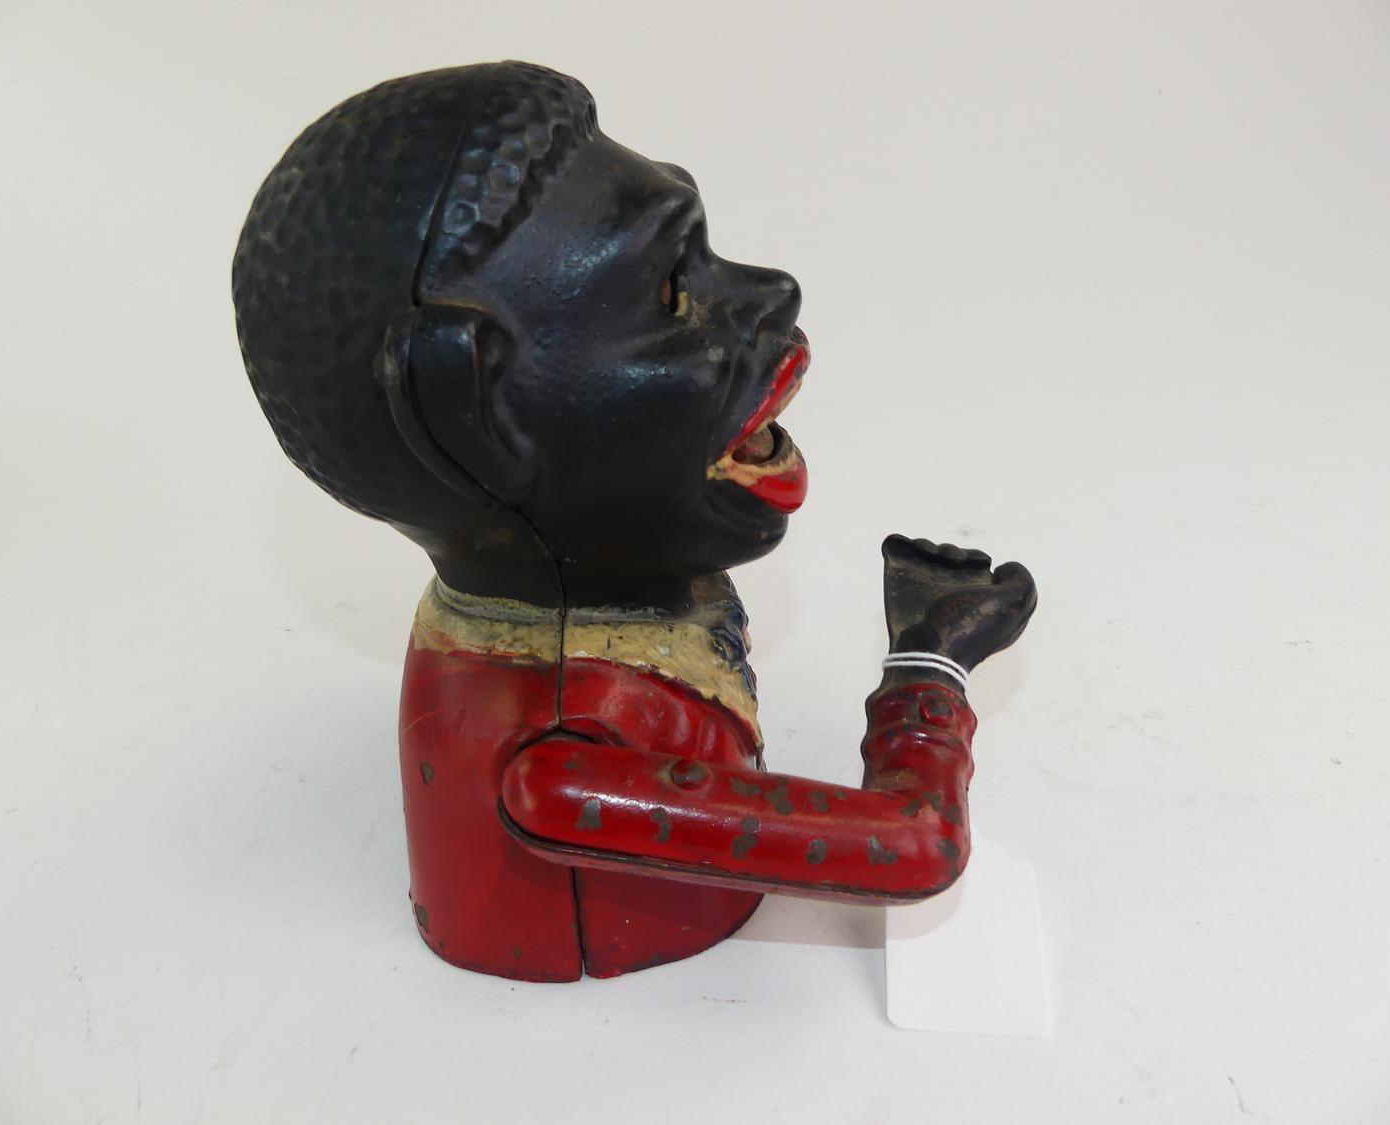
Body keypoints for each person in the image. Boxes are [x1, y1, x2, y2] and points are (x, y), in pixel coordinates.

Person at [233, 61, 1036, 981]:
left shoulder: (587, 585)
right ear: (478, 422)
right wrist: (931, 658)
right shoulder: (559, 760)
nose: (772, 289)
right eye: (670, 292)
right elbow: (914, 844)